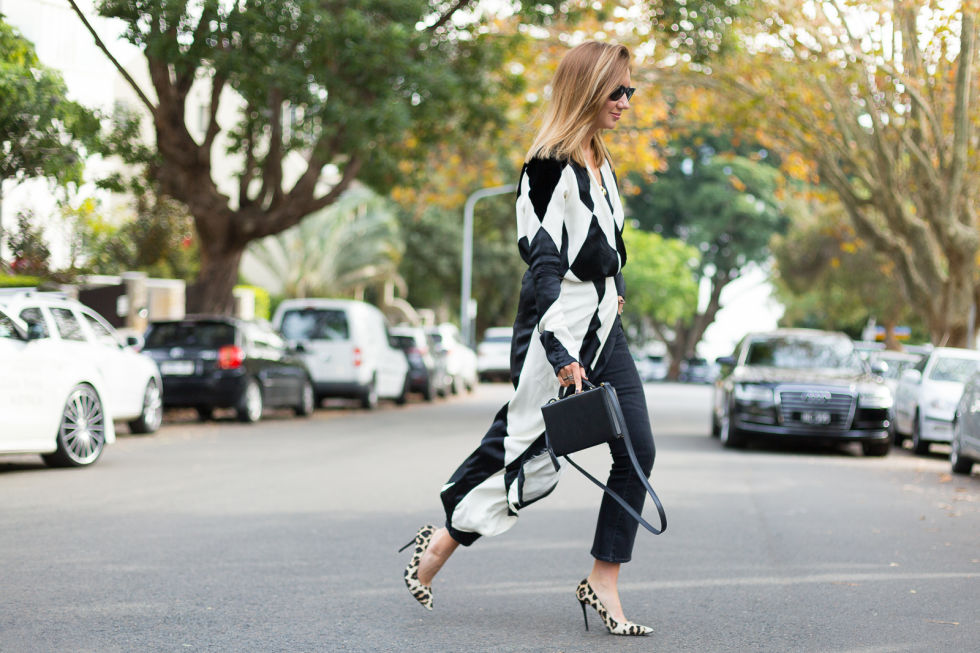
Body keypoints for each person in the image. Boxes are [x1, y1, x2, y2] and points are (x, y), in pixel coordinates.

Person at [401, 41, 657, 636]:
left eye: (630, 90)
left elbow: (607, 245)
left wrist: (614, 287)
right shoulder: (547, 166)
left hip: (604, 328)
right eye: (616, 90)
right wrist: (563, 353)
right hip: (556, 330)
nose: (626, 100)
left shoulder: (602, 158)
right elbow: (544, 268)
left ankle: (603, 580)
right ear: (586, 91)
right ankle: (440, 543)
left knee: (637, 451)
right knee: (524, 450)